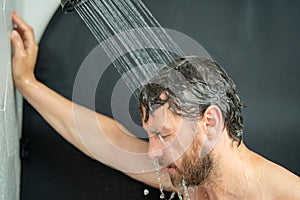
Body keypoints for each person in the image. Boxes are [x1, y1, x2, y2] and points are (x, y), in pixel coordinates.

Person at [10, 11, 300, 199]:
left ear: (209, 123)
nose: (152, 151)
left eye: (164, 134)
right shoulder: (192, 179)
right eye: (151, 136)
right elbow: (111, 141)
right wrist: (26, 83)